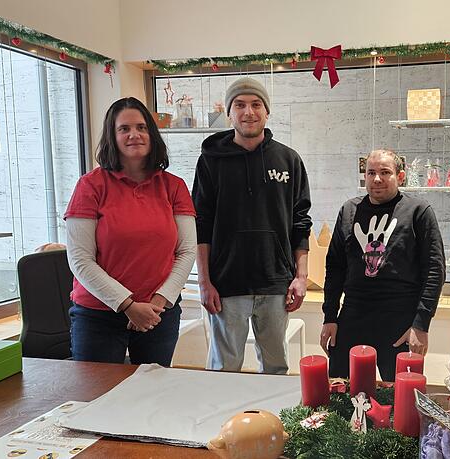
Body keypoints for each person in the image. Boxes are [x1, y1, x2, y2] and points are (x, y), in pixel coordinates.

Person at [64, 97, 196, 366]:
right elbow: (80, 259)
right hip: (98, 315)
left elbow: (186, 251)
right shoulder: (90, 186)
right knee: (98, 399)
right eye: (124, 129)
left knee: (153, 398)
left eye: (141, 127)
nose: (134, 134)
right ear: (113, 137)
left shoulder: (174, 186)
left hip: (160, 313)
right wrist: (128, 306)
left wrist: (158, 302)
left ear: (152, 134)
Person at [193, 77, 312, 374]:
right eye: (240, 105)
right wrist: (204, 282)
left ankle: (270, 423)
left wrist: (301, 276)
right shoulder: (210, 162)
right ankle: (219, 421)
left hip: (276, 283)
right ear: (230, 113)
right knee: (224, 369)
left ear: (267, 112)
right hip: (227, 285)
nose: (249, 112)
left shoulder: (289, 160)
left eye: (256, 104)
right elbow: (201, 225)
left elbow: (300, 221)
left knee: (275, 368)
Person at [320, 149, 445, 381]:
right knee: (341, 395)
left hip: (400, 319)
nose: (377, 179)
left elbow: (435, 270)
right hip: (352, 315)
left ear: (400, 176)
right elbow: (335, 267)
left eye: (385, 172)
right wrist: (330, 316)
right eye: (371, 172)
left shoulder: (419, 211)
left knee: (402, 400)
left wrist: (421, 324)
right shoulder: (348, 210)